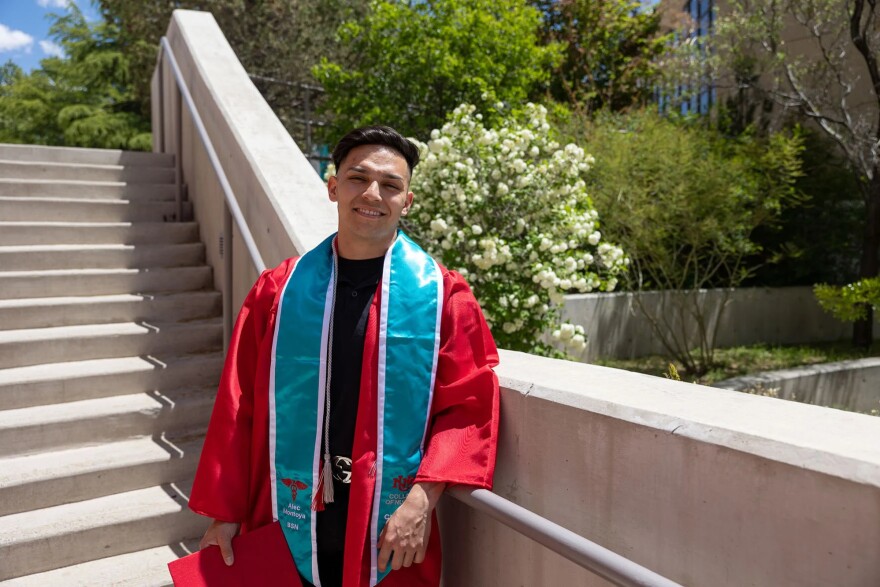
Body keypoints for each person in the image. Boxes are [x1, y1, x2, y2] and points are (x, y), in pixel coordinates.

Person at [188, 125, 500, 587]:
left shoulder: (442, 296)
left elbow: (469, 407)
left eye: (391, 185)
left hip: (390, 520)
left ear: (406, 202)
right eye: (358, 178)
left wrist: (421, 501)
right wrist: (225, 513)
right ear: (333, 187)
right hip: (288, 508)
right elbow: (239, 406)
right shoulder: (278, 292)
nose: (373, 193)